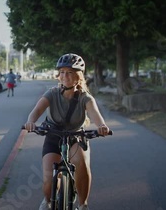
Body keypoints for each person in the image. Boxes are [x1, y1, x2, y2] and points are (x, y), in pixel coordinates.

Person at [23, 53, 110, 210]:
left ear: (78, 76)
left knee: (82, 165)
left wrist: (102, 127)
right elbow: (36, 110)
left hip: (76, 136)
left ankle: (83, 205)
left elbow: (95, 115)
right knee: (49, 179)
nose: (64, 76)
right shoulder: (52, 93)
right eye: (62, 72)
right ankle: (48, 201)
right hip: (53, 136)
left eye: (69, 72)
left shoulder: (85, 98)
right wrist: (30, 122)